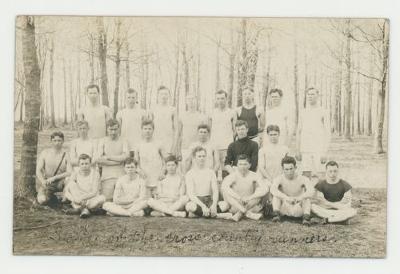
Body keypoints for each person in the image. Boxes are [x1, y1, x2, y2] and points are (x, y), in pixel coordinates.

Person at [219, 154, 269, 222]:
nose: (242, 166)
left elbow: (265, 188)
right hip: (236, 204)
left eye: (245, 164)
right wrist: (239, 197)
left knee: (260, 192)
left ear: (249, 165)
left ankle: (240, 214)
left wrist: (250, 197)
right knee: (226, 191)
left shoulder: (254, 175)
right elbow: (224, 186)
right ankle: (245, 212)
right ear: (237, 165)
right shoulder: (233, 175)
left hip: (250, 204)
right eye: (240, 164)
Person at [296, 87, 331, 180]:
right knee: (305, 174)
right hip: (305, 148)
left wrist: (325, 152)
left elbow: (328, 133)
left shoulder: (323, 111)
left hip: (318, 148)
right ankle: (307, 194)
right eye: (308, 94)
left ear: (317, 96)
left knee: (320, 174)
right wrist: (298, 150)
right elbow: (299, 131)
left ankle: (321, 194)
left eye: (313, 94)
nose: (310, 96)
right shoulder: (303, 112)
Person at [270, 156, 313, 225]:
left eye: (291, 169)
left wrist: (300, 198)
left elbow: (311, 191)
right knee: (276, 196)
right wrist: (286, 198)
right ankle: (276, 215)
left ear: (295, 168)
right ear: (282, 169)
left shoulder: (303, 178)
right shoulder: (279, 178)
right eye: (286, 169)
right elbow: (272, 189)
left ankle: (306, 218)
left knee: (306, 198)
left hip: (298, 206)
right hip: (285, 206)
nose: (289, 172)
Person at [185, 147, 225, 218]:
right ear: (194, 158)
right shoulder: (190, 173)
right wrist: (203, 206)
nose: (202, 158)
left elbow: (215, 191)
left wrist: (214, 205)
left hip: (209, 200)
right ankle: (218, 215)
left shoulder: (211, 172)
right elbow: (191, 194)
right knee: (189, 206)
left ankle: (199, 214)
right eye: (199, 156)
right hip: (197, 201)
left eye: (203, 156)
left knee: (225, 205)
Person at [95, 119, 129, 201]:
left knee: (122, 199)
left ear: (118, 129)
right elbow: (98, 159)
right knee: (106, 200)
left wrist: (108, 157)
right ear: (107, 129)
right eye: (111, 129)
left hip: (121, 175)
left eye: (115, 129)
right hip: (107, 176)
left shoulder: (123, 140)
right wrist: (118, 161)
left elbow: (126, 156)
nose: (113, 132)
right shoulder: (102, 141)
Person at [64, 154, 106, 218]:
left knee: (102, 198)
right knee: (71, 184)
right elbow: (67, 190)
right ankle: (87, 210)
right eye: (82, 164)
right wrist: (74, 199)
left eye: (86, 163)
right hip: (78, 198)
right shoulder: (75, 172)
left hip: (90, 198)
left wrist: (82, 198)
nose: (84, 166)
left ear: (90, 164)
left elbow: (94, 192)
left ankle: (80, 209)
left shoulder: (95, 173)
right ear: (79, 164)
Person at [36, 131, 72, 205]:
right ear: (51, 141)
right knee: (42, 200)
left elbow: (69, 172)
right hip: (48, 182)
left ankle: (64, 199)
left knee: (69, 180)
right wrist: (42, 181)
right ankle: (53, 198)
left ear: (63, 141)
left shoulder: (66, 154)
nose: (57, 143)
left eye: (59, 140)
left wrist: (55, 177)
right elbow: (38, 170)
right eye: (54, 140)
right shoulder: (45, 153)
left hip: (61, 182)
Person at [135, 119, 167, 198]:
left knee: (158, 201)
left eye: (149, 129)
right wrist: (139, 171)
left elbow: (166, 161)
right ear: (142, 130)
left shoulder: (159, 144)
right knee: (146, 203)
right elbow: (135, 164)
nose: (147, 131)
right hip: (145, 178)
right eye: (145, 129)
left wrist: (163, 172)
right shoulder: (138, 145)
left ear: (153, 130)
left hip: (158, 178)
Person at [210, 90, 236, 180]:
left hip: (227, 145)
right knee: (215, 168)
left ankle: (225, 190)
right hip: (215, 146)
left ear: (226, 99)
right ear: (215, 100)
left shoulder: (231, 112)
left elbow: (235, 130)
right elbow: (209, 129)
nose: (220, 101)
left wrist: (230, 142)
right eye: (218, 98)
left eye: (222, 98)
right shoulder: (212, 112)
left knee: (226, 168)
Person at [177, 94, 208, 165]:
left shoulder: (202, 116)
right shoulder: (182, 116)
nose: (191, 102)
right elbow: (178, 134)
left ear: (196, 101)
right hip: (185, 147)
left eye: (193, 99)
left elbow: (206, 134)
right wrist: (178, 150)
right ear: (186, 102)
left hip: (198, 148)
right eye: (189, 99)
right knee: (185, 168)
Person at [116, 88, 148, 154]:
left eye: (133, 97)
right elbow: (118, 131)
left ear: (136, 98)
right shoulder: (120, 113)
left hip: (139, 143)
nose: (131, 100)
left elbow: (146, 128)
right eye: (128, 97)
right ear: (125, 98)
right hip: (125, 144)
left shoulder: (143, 112)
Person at [150, 85, 177, 155]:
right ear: (158, 95)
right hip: (156, 140)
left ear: (168, 96)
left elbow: (176, 129)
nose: (164, 96)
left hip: (168, 142)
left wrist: (174, 145)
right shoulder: (153, 109)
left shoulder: (173, 109)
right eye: (161, 94)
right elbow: (149, 127)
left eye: (166, 94)